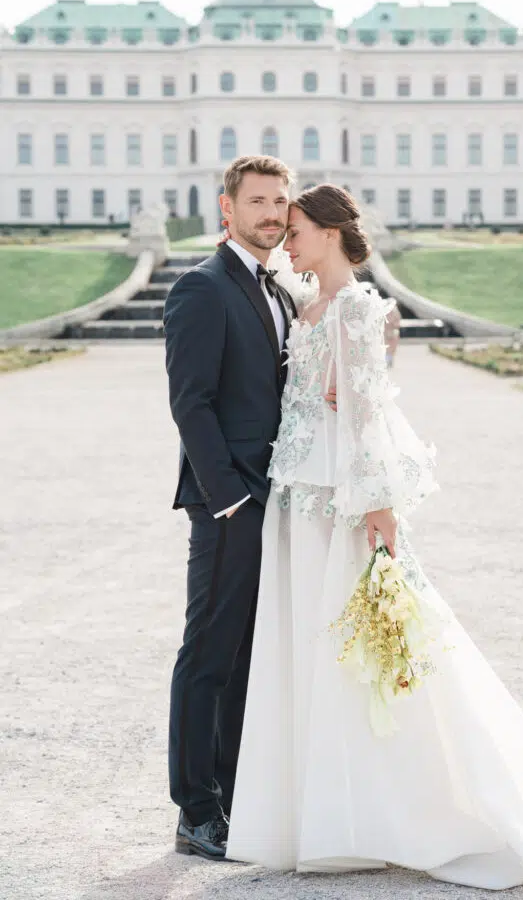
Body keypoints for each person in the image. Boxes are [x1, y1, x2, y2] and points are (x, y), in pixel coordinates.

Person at [225, 184, 523, 900]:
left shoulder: (361, 309)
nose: (287, 238)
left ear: (333, 233)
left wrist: (380, 508)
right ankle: (320, 815)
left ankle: (387, 813)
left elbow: (366, 416)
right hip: (297, 499)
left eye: (298, 227)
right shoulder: (305, 308)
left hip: (341, 503)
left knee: (361, 654)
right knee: (308, 648)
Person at [163, 155, 298, 860]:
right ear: (227, 208)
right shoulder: (202, 287)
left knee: (248, 657)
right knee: (209, 655)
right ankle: (195, 811)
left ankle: (235, 795)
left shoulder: (278, 290)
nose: (272, 212)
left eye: (280, 200)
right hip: (230, 502)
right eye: (258, 201)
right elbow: (191, 401)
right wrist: (230, 501)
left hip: (275, 496)